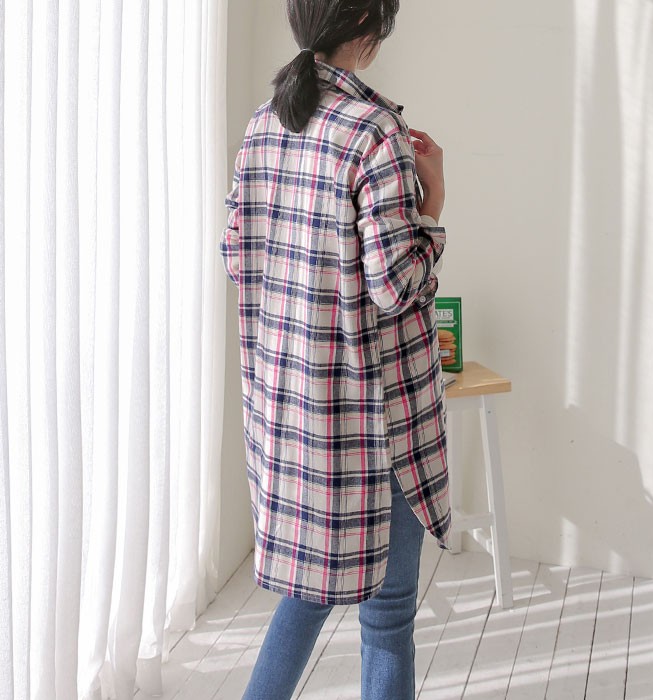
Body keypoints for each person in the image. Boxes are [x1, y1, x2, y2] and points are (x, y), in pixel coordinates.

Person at [219, 1, 451, 697]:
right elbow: (395, 284)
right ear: (368, 32)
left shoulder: (265, 125)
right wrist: (433, 206)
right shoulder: (375, 132)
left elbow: (236, 254)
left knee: (307, 593)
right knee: (387, 616)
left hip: (293, 409)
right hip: (375, 416)